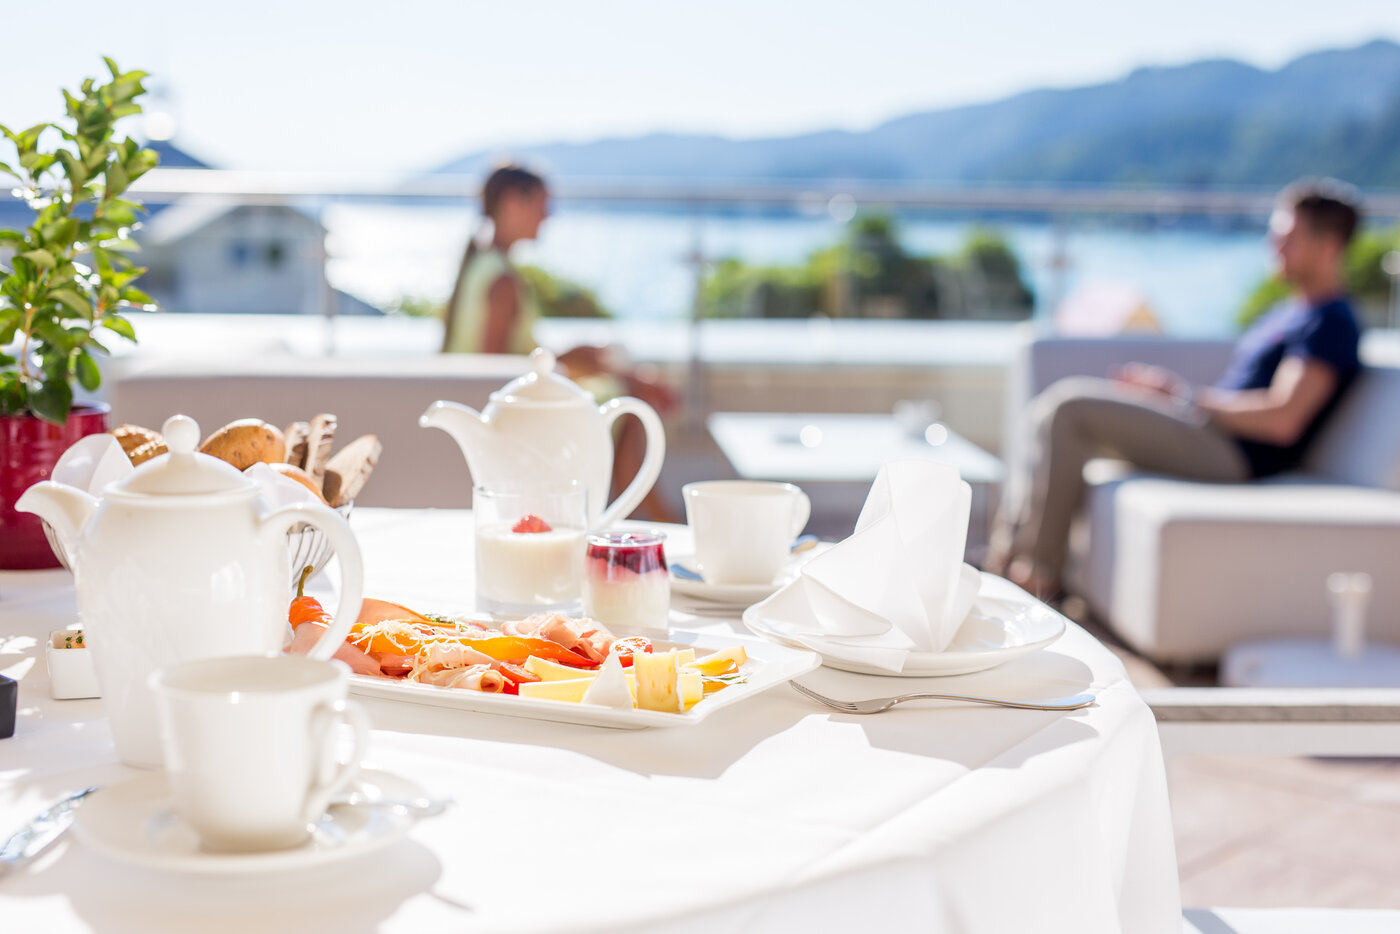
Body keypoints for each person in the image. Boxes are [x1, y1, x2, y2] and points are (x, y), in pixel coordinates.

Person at [987, 177, 1364, 598]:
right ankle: (1003, 565)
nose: (1272, 246)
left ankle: (1034, 580)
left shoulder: (1330, 322)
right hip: (1211, 432)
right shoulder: (1290, 312)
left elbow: (1283, 419)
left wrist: (1186, 398)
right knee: (1049, 412)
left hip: (1235, 456)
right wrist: (1173, 395)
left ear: (1329, 246)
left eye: (1286, 237)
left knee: (1069, 409)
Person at [442, 164, 679, 519]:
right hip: (520, 418)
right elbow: (495, 372)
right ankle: (644, 514)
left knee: (625, 385)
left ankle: (641, 513)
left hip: (518, 403)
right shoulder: (501, 282)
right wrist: (580, 360)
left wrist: (581, 358)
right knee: (628, 396)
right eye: (541, 204)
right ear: (513, 203)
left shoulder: (483, 267)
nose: (548, 216)